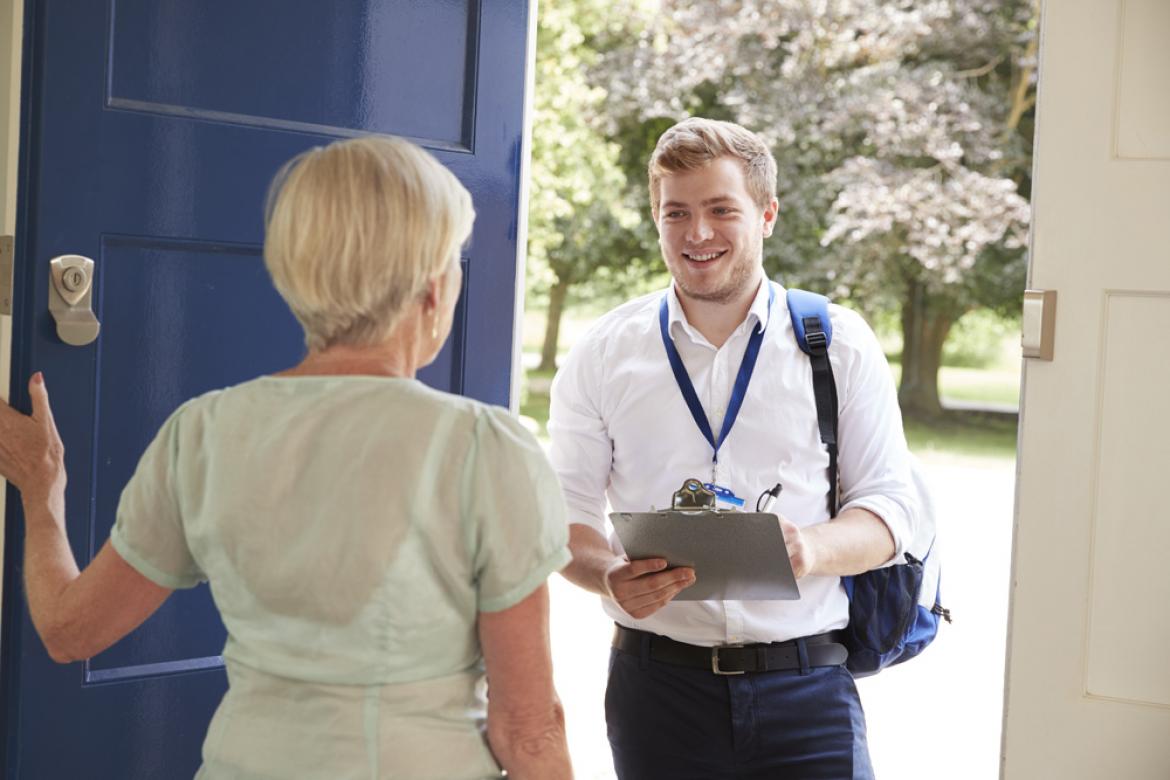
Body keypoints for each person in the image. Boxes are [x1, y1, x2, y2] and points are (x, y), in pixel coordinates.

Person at [0, 136, 574, 780]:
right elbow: (529, 729)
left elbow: (68, 631)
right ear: (433, 290)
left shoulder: (203, 432)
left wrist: (41, 489)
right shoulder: (488, 449)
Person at [548, 117, 920, 779]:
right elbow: (564, 522)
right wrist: (606, 575)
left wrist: (810, 549)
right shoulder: (602, 353)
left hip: (808, 688)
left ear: (767, 214)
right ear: (656, 218)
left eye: (722, 210)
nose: (697, 234)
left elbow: (892, 512)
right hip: (656, 691)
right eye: (676, 213)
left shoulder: (839, 344)